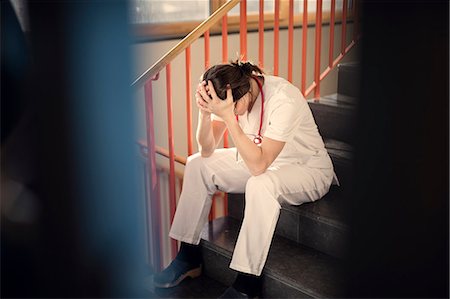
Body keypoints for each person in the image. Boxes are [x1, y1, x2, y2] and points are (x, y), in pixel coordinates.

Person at [153, 60, 339, 298]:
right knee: (197, 163)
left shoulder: (284, 98)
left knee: (260, 184)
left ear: (243, 92)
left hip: (306, 168)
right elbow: (207, 149)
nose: (234, 113)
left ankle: (247, 284)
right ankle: (188, 257)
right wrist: (205, 113)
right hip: (263, 159)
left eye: (233, 109)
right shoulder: (233, 95)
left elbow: (260, 166)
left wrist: (229, 118)